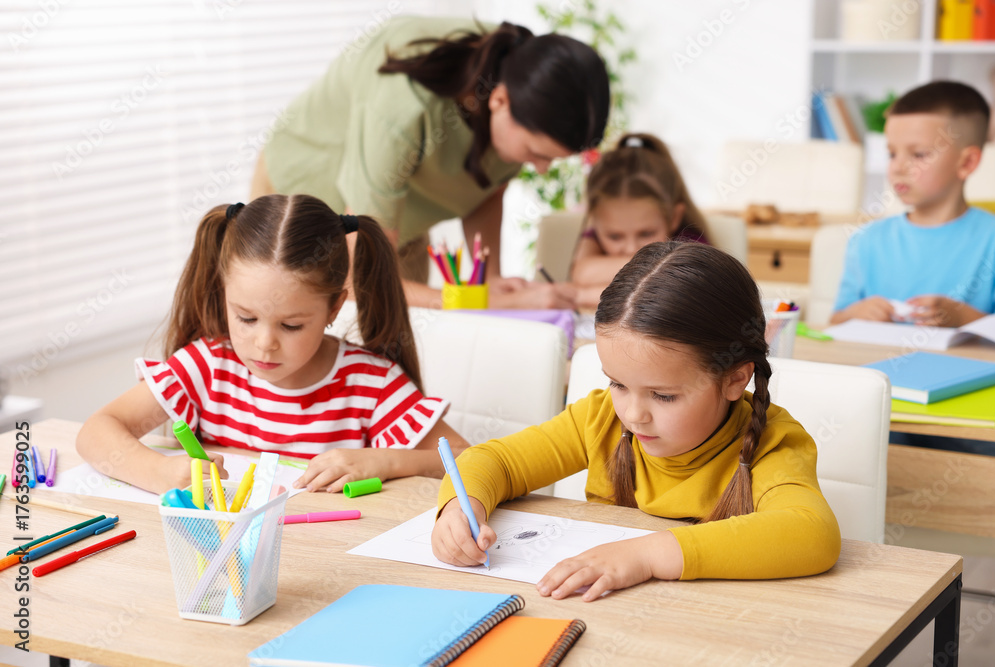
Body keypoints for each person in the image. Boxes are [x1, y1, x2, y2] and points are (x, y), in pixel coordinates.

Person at [431, 241, 841, 601]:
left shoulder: (772, 443)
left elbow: (812, 534)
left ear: (736, 378)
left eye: (663, 395)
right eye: (618, 384)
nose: (632, 413)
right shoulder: (600, 419)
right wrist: (459, 510)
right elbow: (495, 460)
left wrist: (646, 555)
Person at [77, 194, 468, 495]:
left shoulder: (371, 384)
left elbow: (469, 460)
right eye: (246, 318)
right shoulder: (207, 368)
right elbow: (96, 432)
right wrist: (160, 473)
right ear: (224, 293)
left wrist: (385, 461)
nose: (264, 345)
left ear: (334, 306)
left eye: (292, 325)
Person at [251, 16, 611, 310]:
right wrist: (477, 301)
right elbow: (360, 279)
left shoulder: (515, 74)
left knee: (403, 351)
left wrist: (491, 280)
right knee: (291, 344)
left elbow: (486, 189)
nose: (542, 168)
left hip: (397, 221)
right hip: (305, 208)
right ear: (499, 100)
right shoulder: (404, 106)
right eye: (538, 153)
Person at [831, 80, 995, 326]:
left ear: (966, 163)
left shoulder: (994, 239)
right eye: (892, 154)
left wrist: (963, 317)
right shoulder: (867, 240)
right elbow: (835, 321)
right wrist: (856, 313)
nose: (898, 167)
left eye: (918, 154)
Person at [570, 133, 710, 309]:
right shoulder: (598, 229)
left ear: (674, 217)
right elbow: (582, 274)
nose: (631, 248)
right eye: (614, 236)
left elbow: (671, 293)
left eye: (646, 233)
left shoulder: (692, 243)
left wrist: (579, 295)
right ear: (595, 223)